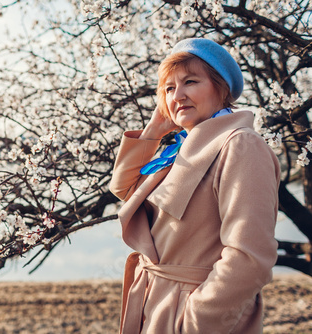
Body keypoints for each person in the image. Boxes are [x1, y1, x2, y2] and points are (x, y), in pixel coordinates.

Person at [109, 38, 280, 333]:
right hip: (156, 305)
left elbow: (250, 257)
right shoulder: (179, 146)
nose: (178, 96)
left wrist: (195, 321)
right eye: (169, 88)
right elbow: (125, 190)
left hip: (193, 314)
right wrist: (154, 130)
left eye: (190, 81)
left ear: (221, 88)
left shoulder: (240, 145)